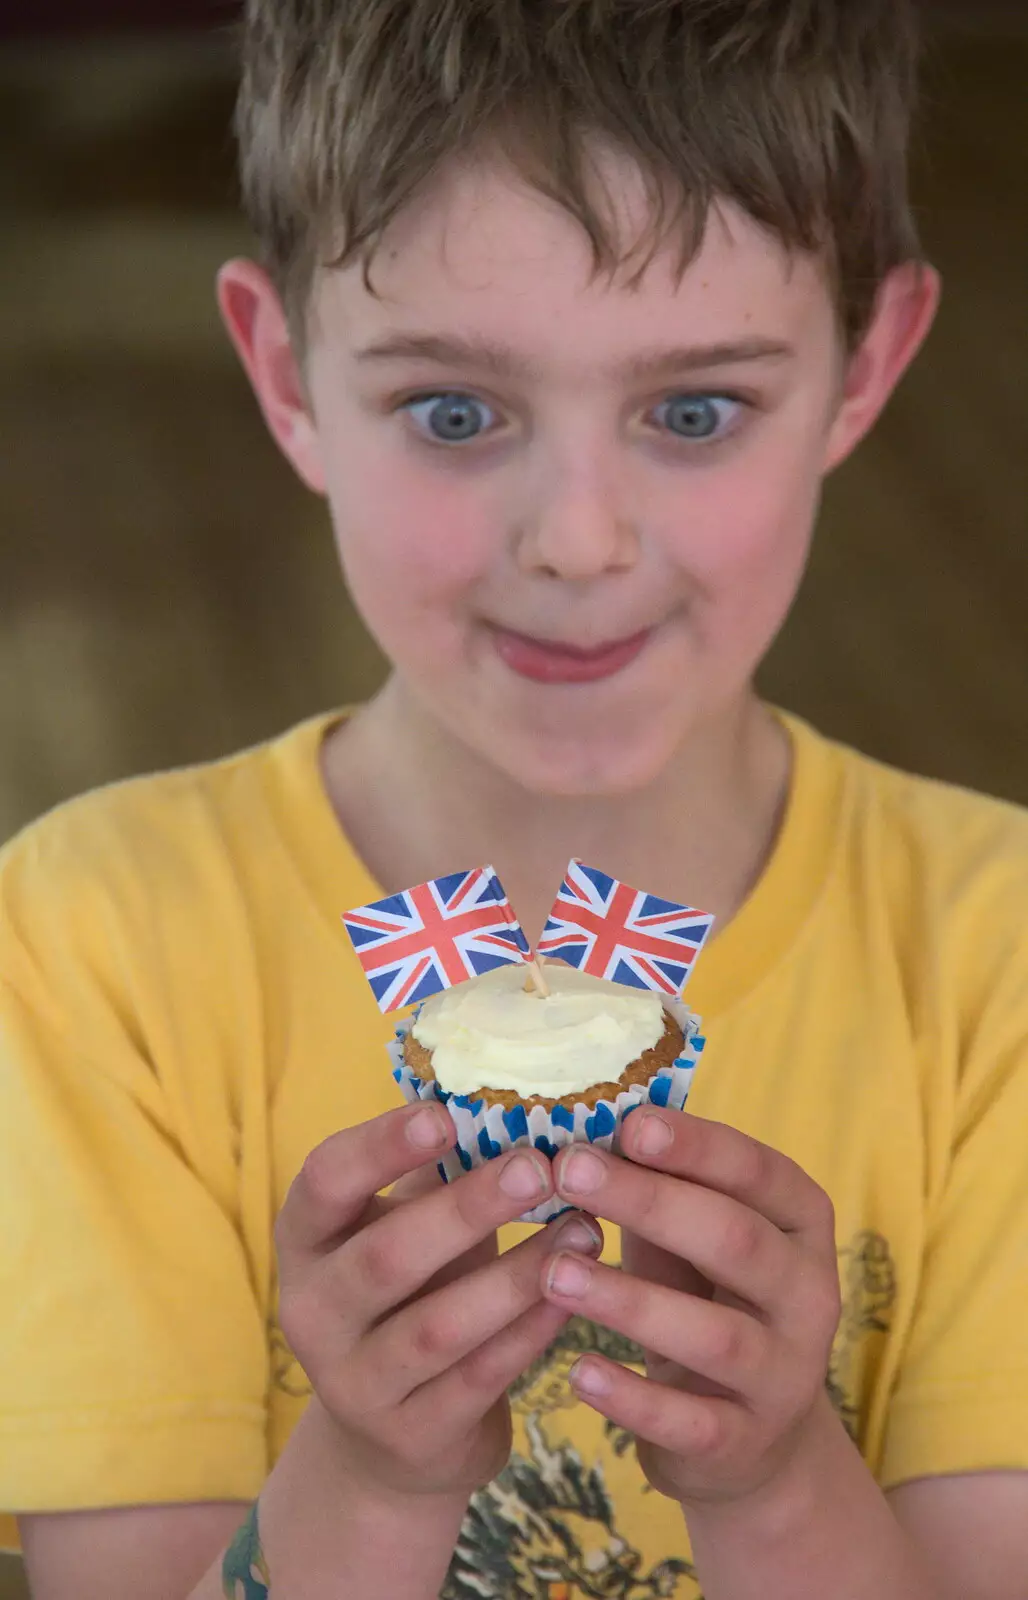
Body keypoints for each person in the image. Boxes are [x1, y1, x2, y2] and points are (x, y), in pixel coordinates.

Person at [2, 0, 1026, 1595]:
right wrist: (364, 1480)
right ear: (286, 374)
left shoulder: (997, 957)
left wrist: (772, 1482)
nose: (576, 542)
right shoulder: (91, 947)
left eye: (693, 412)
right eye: (455, 412)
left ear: (864, 368)